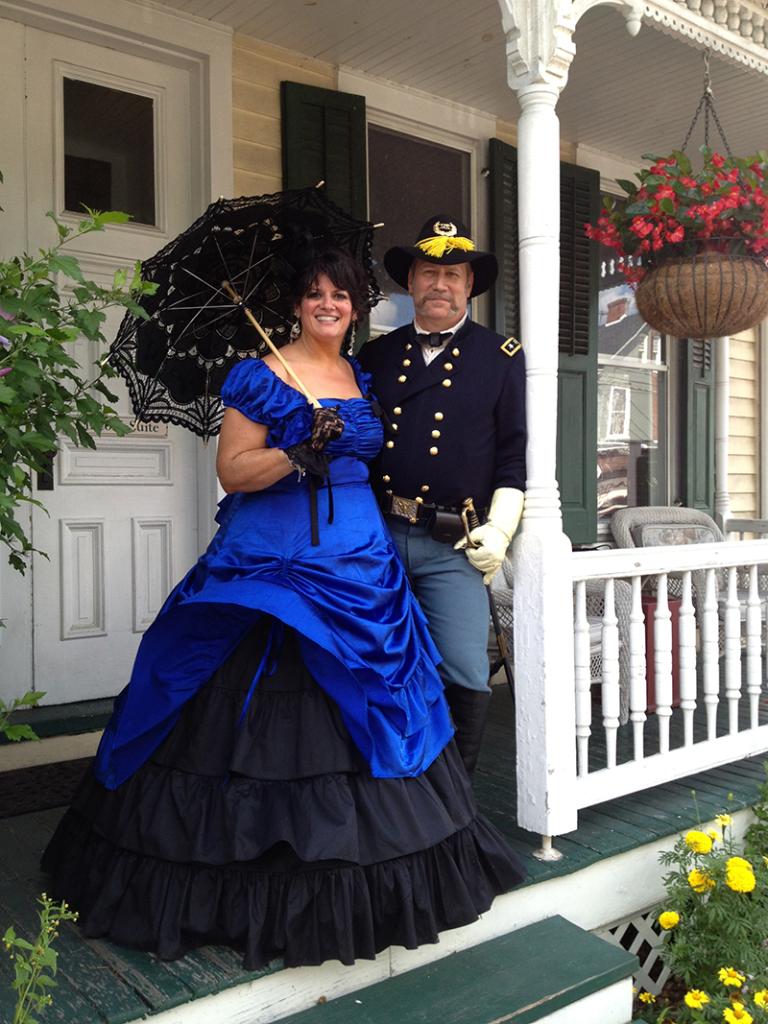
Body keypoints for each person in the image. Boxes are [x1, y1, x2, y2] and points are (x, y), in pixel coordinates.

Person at [41, 247, 525, 971]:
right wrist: (297, 449)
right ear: (296, 306)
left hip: (360, 559)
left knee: (386, 694)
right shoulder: (258, 375)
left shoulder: (359, 375)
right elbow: (233, 471)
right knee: (255, 706)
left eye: (341, 294)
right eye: (314, 293)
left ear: (357, 307)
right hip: (272, 552)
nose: (327, 303)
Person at [358, 216, 527, 775]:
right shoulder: (377, 358)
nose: (440, 284)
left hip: (453, 543)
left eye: (452, 274)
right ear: (410, 283)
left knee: (463, 669)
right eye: (429, 272)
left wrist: (500, 529)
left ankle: (450, 799)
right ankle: (382, 782)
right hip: (381, 534)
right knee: (376, 660)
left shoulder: (500, 355)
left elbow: (513, 455)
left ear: (469, 285)